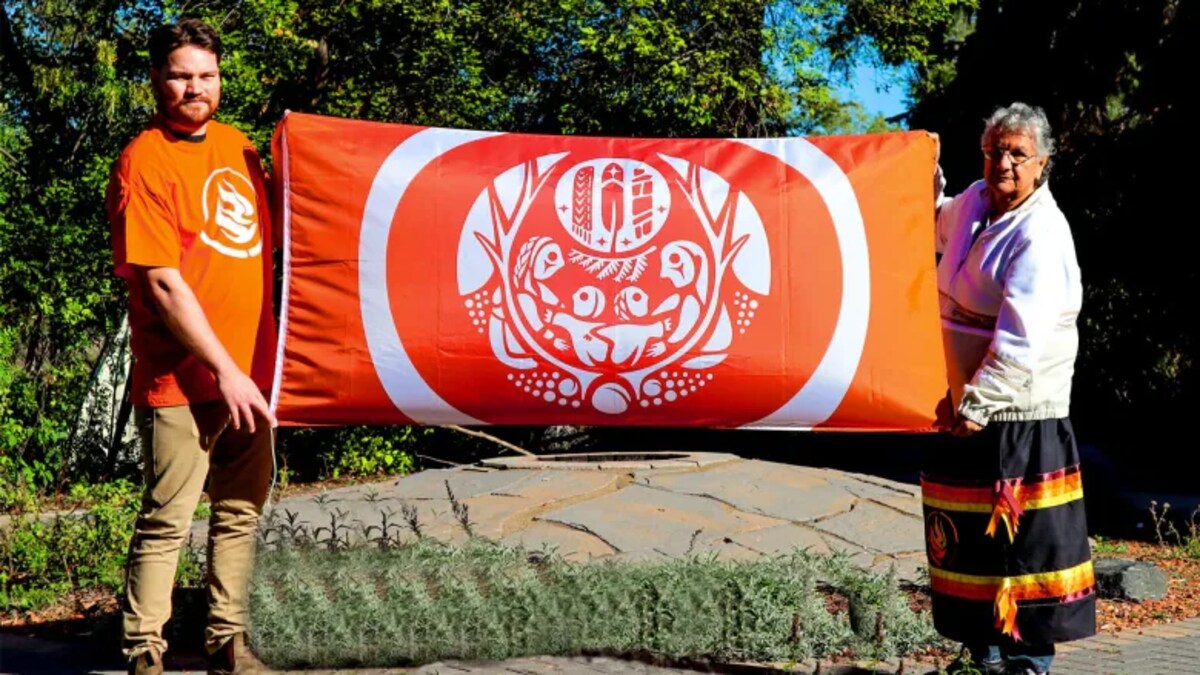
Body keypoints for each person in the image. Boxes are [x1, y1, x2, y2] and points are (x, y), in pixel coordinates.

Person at [106, 17, 277, 675]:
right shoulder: (144, 158)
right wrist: (226, 370)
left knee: (241, 513)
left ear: (220, 80)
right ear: (156, 79)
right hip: (184, 380)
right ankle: (144, 652)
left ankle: (228, 645)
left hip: (250, 377)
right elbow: (163, 283)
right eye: (180, 75)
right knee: (167, 522)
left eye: (205, 76)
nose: (194, 88)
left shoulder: (240, 148)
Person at [921, 103, 1096, 675]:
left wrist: (979, 403)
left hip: (1017, 414)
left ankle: (1026, 661)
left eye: (1018, 153)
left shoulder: (1043, 235)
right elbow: (933, 219)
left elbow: (1020, 338)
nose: (1004, 163)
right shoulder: (973, 200)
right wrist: (921, 176)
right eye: (996, 150)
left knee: (1018, 549)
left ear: (1042, 162)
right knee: (970, 542)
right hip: (959, 406)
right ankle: (982, 656)